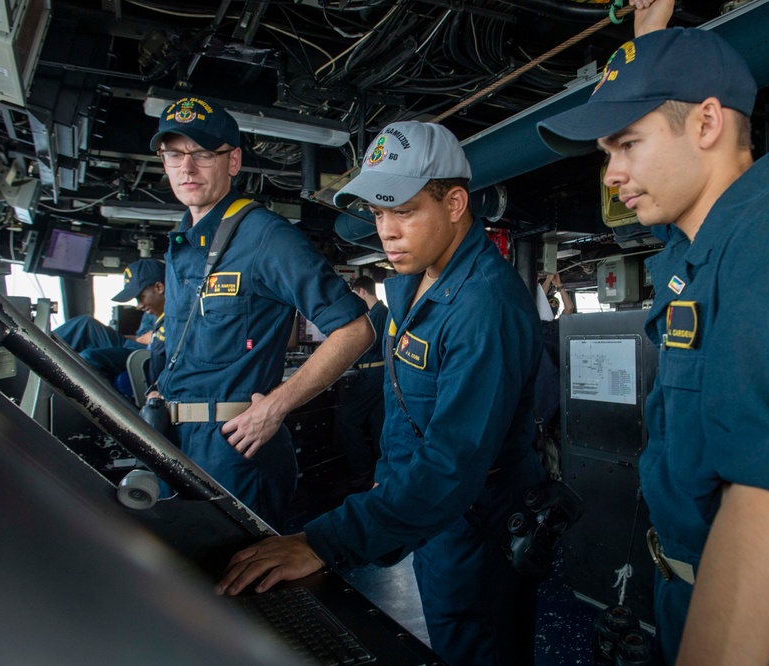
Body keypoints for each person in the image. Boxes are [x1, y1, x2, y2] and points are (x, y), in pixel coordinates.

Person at [536, 2, 769, 663]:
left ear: (708, 122)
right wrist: (651, 50)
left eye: (626, 144)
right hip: (690, 589)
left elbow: (763, 503)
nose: (609, 174)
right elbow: (677, 167)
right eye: (607, 150)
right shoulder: (709, 237)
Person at [215, 120, 546, 666]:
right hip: (430, 514)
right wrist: (389, 476)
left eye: (405, 210)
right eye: (377, 213)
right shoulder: (415, 284)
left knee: (477, 647)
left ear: (456, 202)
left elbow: (451, 463)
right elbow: (408, 406)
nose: (386, 231)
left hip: (476, 526)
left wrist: (324, 541)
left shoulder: (484, 307)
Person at [148, 97, 374, 530]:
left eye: (202, 154)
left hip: (235, 449)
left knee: (227, 589)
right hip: (171, 440)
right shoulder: (182, 242)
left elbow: (355, 330)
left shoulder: (267, 237)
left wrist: (275, 408)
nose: (187, 168)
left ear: (233, 161)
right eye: (174, 154)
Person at [53, 258, 165, 384]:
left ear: (159, 287)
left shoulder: (178, 311)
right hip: (134, 344)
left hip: (146, 354)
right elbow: (140, 338)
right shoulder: (155, 308)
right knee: (85, 323)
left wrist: (149, 337)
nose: (139, 306)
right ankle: (35, 351)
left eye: (141, 297)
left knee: (88, 357)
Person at [333, 275, 388, 486]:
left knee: (346, 419)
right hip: (374, 376)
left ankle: (364, 469)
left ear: (363, 291)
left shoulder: (379, 314)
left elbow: (364, 344)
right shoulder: (376, 314)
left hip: (372, 376)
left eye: (355, 294)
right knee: (377, 425)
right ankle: (378, 473)